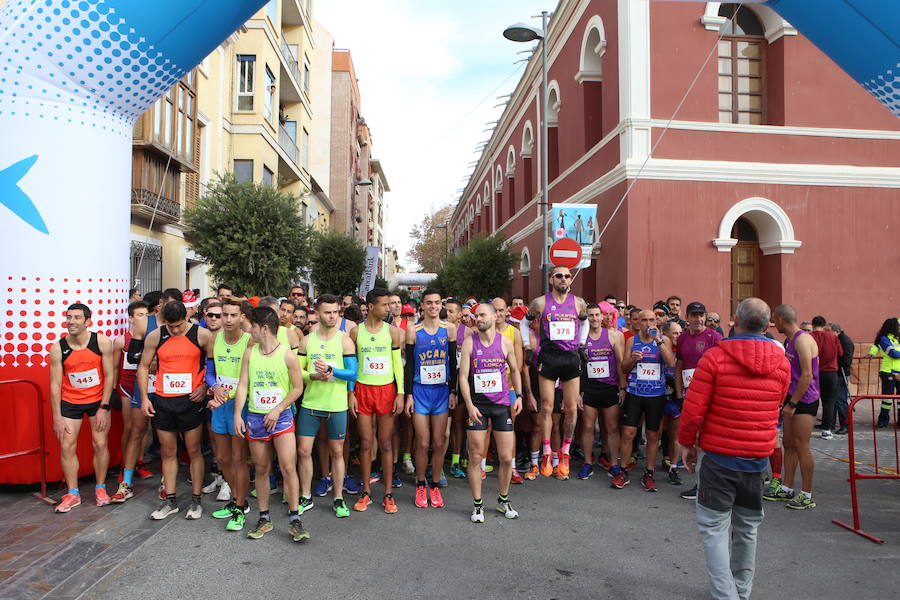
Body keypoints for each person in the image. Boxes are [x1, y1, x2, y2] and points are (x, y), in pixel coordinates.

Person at [680, 298, 790, 600]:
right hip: (756, 459)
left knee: (713, 529)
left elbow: (693, 410)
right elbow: (776, 403)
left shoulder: (715, 358)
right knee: (747, 529)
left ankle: (726, 595)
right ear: (767, 325)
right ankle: (740, 592)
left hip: (719, 458)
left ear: (735, 321)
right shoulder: (782, 362)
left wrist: (687, 444)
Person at [233, 307, 308, 542]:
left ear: (263, 328)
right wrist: (238, 415)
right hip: (256, 418)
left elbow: (297, 388)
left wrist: (278, 409)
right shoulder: (250, 353)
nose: (249, 331)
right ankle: (264, 517)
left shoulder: (287, 354)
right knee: (262, 469)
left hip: (282, 417)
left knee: (288, 467)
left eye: (252, 327)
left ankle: (295, 518)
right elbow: (243, 385)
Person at [138, 300, 215, 520]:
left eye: (178, 326)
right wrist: (145, 398)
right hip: (163, 400)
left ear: (187, 318)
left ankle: (196, 500)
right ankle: (170, 500)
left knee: (193, 451)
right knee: (168, 452)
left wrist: (204, 386)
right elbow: (143, 367)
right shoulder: (156, 336)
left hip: (190, 400)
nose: (174, 330)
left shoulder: (201, 335)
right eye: (170, 326)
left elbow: (212, 366)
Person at [521, 265, 587, 479]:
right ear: (551, 279)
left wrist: (582, 344)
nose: (564, 279)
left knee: (571, 408)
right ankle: (547, 452)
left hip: (570, 358)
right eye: (559, 276)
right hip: (549, 356)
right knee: (547, 407)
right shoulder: (540, 302)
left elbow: (584, 322)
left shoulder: (578, 303)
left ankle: (565, 454)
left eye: (567, 276)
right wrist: (528, 347)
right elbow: (524, 324)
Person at [458, 302, 523, 523]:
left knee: (506, 458)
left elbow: (515, 370)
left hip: (501, 405)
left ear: (495, 317)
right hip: (477, 406)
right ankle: (477, 505)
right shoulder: (469, 343)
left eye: (483, 314)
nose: (479, 318)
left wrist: (520, 396)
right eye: (477, 315)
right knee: (476, 457)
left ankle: (503, 500)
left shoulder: (505, 342)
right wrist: (469, 405)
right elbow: (463, 377)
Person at [49, 303, 115, 512]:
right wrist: (57, 416)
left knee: (100, 443)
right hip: (70, 402)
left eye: (77, 318)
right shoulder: (58, 348)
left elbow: (110, 376)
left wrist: (104, 406)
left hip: (97, 402)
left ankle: (100, 488)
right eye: (69, 317)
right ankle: (73, 493)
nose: (71, 321)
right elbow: (55, 385)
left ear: (88, 322)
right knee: (67, 445)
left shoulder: (101, 342)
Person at [296, 295, 358, 518]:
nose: (332, 316)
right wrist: (312, 375)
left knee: (336, 451)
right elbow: (297, 372)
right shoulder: (307, 340)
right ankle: (305, 496)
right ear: (317, 313)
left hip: (336, 404)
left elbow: (353, 373)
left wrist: (333, 371)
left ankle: (339, 498)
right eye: (327, 312)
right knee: (303, 451)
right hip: (311, 403)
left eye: (335, 312)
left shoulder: (344, 340)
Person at [350, 288, 405, 513]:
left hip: (386, 391)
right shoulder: (355, 332)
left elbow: (396, 366)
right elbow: (350, 367)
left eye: (389, 305)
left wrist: (400, 393)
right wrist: (350, 393)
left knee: (385, 443)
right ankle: (366, 492)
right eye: (384, 305)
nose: (389, 308)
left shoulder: (393, 332)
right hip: (363, 390)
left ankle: (388, 493)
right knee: (365, 442)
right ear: (371, 306)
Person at [405, 289, 457, 507]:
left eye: (437, 303)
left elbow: (453, 363)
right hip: (420, 391)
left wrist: (454, 391)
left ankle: (434, 486)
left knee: (438, 441)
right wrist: (408, 395)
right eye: (429, 303)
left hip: (441, 392)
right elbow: (408, 365)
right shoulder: (412, 330)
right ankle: (420, 484)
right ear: (422, 306)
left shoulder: (450, 329)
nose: (433, 306)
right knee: (423, 441)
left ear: (441, 306)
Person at [204, 298, 252, 530]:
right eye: (225, 315)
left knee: (238, 458)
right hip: (219, 403)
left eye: (233, 315)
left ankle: (240, 506)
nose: (228, 319)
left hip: (240, 405)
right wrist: (215, 388)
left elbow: (249, 380)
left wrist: (227, 393)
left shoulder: (249, 342)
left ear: (242, 316)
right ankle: (236, 498)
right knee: (222, 458)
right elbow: (210, 372)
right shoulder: (215, 339)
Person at [767, 304, 819, 510]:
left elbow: (807, 375)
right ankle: (787, 488)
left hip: (805, 400)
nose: (772, 323)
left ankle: (807, 494)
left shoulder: (803, 340)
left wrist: (793, 403)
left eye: (774, 320)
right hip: (792, 399)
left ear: (781, 320)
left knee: (802, 445)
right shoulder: (790, 341)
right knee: (788, 444)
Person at [616, 310, 676, 491]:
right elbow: (624, 367)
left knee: (652, 435)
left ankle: (649, 473)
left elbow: (671, 363)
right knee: (628, 433)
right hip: (635, 392)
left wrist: (658, 341)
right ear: (638, 323)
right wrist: (632, 360)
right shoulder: (632, 341)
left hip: (656, 395)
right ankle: (623, 471)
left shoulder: (663, 340)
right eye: (644, 320)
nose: (648, 323)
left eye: (652, 320)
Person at [674, 302, 723, 499]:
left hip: (710, 397)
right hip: (689, 395)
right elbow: (679, 367)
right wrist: (679, 395)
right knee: (694, 439)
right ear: (687, 317)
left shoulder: (715, 337)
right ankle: (701, 484)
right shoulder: (683, 338)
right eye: (693, 315)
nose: (697, 319)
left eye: (701, 315)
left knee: (708, 440)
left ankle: (708, 485)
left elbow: (723, 367)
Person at [110, 301, 154, 503]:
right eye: (139, 315)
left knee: (145, 429)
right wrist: (113, 390)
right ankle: (124, 467)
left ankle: (139, 462)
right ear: (130, 317)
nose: (143, 318)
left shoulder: (151, 336)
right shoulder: (121, 341)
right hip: (128, 386)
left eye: (146, 314)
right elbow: (115, 368)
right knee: (131, 428)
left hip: (147, 384)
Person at [578, 302, 625, 480]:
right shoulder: (581, 339)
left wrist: (622, 388)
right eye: (591, 315)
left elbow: (620, 364)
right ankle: (588, 463)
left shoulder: (613, 336)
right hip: (589, 388)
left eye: (597, 315)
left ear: (603, 316)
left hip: (609, 388)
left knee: (612, 427)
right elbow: (577, 367)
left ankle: (613, 464)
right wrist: (577, 392)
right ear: (586, 318)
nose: (595, 318)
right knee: (588, 427)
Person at [492, 297, 525, 484]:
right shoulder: (481, 333)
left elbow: (518, 366)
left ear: (507, 312)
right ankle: (480, 466)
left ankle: (511, 467)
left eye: (501, 310)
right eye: (494, 310)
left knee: (508, 426)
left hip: (508, 387)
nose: (498, 314)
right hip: (487, 388)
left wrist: (510, 386)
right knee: (486, 426)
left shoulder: (514, 333)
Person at [809, 316, 842, 440]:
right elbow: (840, 353)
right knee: (829, 402)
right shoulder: (832, 336)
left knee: (811, 400)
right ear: (824, 325)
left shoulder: (809, 336)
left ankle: (806, 426)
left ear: (813, 325)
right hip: (830, 372)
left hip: (813, 372)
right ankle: (827, 430)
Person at [869, 318, 900, 428]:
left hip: (898, 372)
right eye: (898, 326)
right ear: (892, 327)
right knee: (887, 398)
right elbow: (893, 354)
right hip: (888, 373)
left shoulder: (897, 339)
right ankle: (883, 420)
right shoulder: (884, 339)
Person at [830, 323, 854, 435]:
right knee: (833, 399)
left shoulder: (845, 341)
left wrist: (833, 360)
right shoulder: (838, 339)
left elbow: (846, 361)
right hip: (837, 373)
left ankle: (845, 425)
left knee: (841, 399)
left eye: (829, 332)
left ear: (837, 331)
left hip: (842, 373)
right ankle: (831, 422)